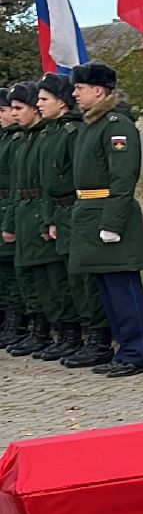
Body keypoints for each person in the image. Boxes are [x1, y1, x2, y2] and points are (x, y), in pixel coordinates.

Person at [66, 61, 143, 374]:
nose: (74, 93)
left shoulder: (116, 125)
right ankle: (124, 350)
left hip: (108, 216)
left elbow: (123, 178)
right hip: (90, 214)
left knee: (123, 289)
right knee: (109, 291)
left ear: (98, 91)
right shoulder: (93, 124)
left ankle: (135, 354)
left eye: (79, 88)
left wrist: (112, 223)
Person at [17, 73, 88, 362]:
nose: (39, 104)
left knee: (68, 281)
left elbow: (67, 178)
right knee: (45, 279)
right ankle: (59, 331)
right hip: (46, 213)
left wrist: (51, 218)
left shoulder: (70, 132)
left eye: (44, 99)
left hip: (70, 210)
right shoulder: (44, 135)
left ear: (61, 102)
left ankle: (76, 335)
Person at [4, 83, 49, 356]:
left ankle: (46, 331)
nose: (10, 113)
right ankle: (28, 328)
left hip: (38, 211)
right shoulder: (22, 139)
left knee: (44, 278)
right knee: (24, 275)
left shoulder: (39, 137)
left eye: (16, 108)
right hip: (21, 210)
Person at [0, 98, 22, 349]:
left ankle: (17, 322)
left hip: (11, 205)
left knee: (12, 269)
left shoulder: (16, 140)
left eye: (3, 110)